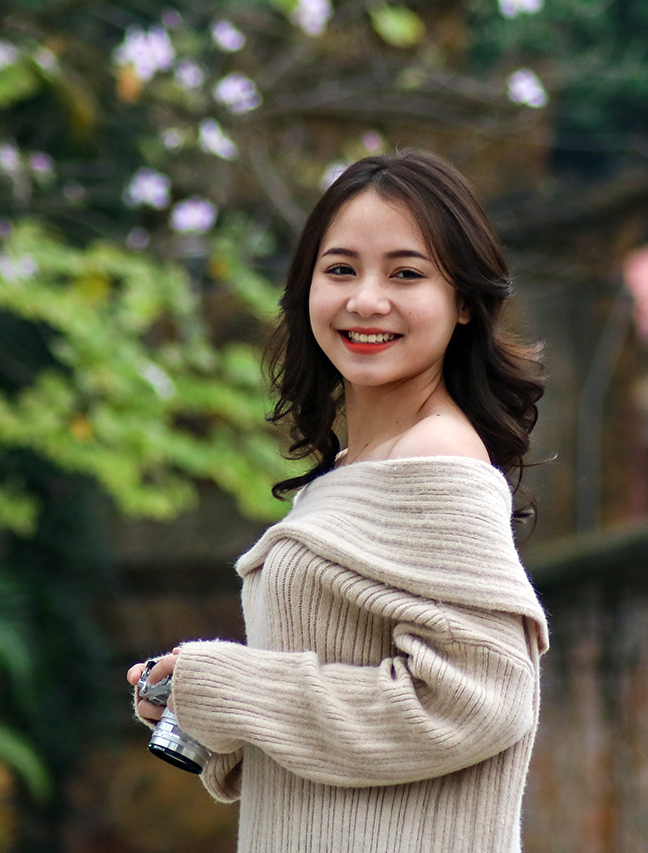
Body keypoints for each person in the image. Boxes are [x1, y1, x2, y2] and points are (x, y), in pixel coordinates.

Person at [126, 149, 549, 852]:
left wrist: (233, 686)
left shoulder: (437, 456)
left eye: (406, 273)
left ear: (465, 303)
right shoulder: (355, 468)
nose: (366, 300)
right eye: (341, 269)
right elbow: (344, 714)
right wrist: (202, 707)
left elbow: (474, 700)